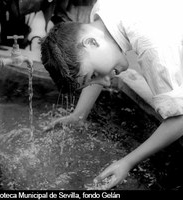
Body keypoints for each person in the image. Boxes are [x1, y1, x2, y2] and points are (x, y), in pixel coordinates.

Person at [40, 0, 183, 189]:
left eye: (94, 75)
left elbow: (180, 117)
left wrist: (127, 162)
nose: (106, 83)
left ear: (91, 42)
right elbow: (98, 57)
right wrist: (79, 115)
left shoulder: (154, 47)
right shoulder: (103, 14)